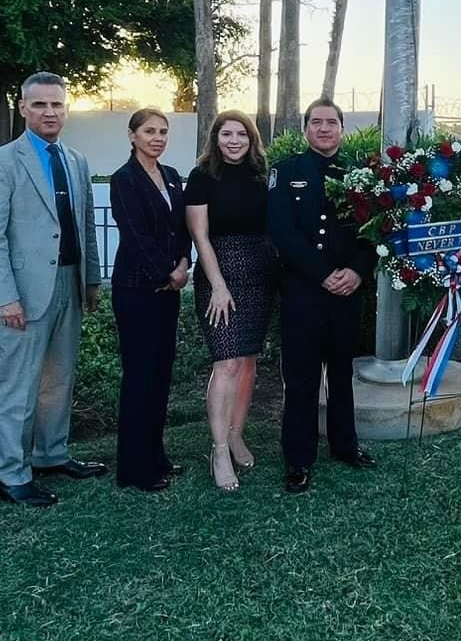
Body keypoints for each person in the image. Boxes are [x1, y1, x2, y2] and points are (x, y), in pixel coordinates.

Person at [0, 72, 108, 508]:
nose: (50, 112)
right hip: (22, 293)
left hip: (67, 281)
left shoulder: (76, 160)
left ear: (66, 109)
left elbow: (85, 224)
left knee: (58, 379)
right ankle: (11, 473)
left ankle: (52, 453)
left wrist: (91, 280)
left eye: (57, 105)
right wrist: (5, 296)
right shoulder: (0, 162)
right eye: (40, 105)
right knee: (16, 385)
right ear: (24, 108)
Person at [268, 98, 379, 494]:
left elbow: (373, 233)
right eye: (316, 122)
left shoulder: (363, 174)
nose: (324, 129)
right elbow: (282, 232)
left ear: (342, 129)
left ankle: (345, 446)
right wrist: (323, 274)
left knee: (342, 374)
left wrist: (356, 271)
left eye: (332, 122)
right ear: (306, 129)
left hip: (347, 292)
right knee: (301, 379)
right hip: (303, 292)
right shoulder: (285, 172)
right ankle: (298, 460)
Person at [184, 110, 273, 493]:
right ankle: (219, 449)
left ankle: (237, 435)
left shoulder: (261, 176)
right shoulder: (202, 177)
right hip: (219, 270)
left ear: (251, 139)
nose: (234, 140)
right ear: (215, 138)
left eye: (241, 134)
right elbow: (200, 237)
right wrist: (218, 285)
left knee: (249, 361)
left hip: (259, 271)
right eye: (226, 134)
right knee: (227, 362)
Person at [109, 108, 191, 493]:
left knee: (160, 375)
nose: (157, 137)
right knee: (140, 377)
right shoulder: (123, 180)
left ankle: (156, 455)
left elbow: (182, 228)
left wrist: (184, 262)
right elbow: (136, 235)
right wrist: (167, 272)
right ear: (132, 135)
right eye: (148, 131)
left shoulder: (172, 177)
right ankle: (134, 468)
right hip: (138, 291)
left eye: (162, 131)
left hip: (168, 292)